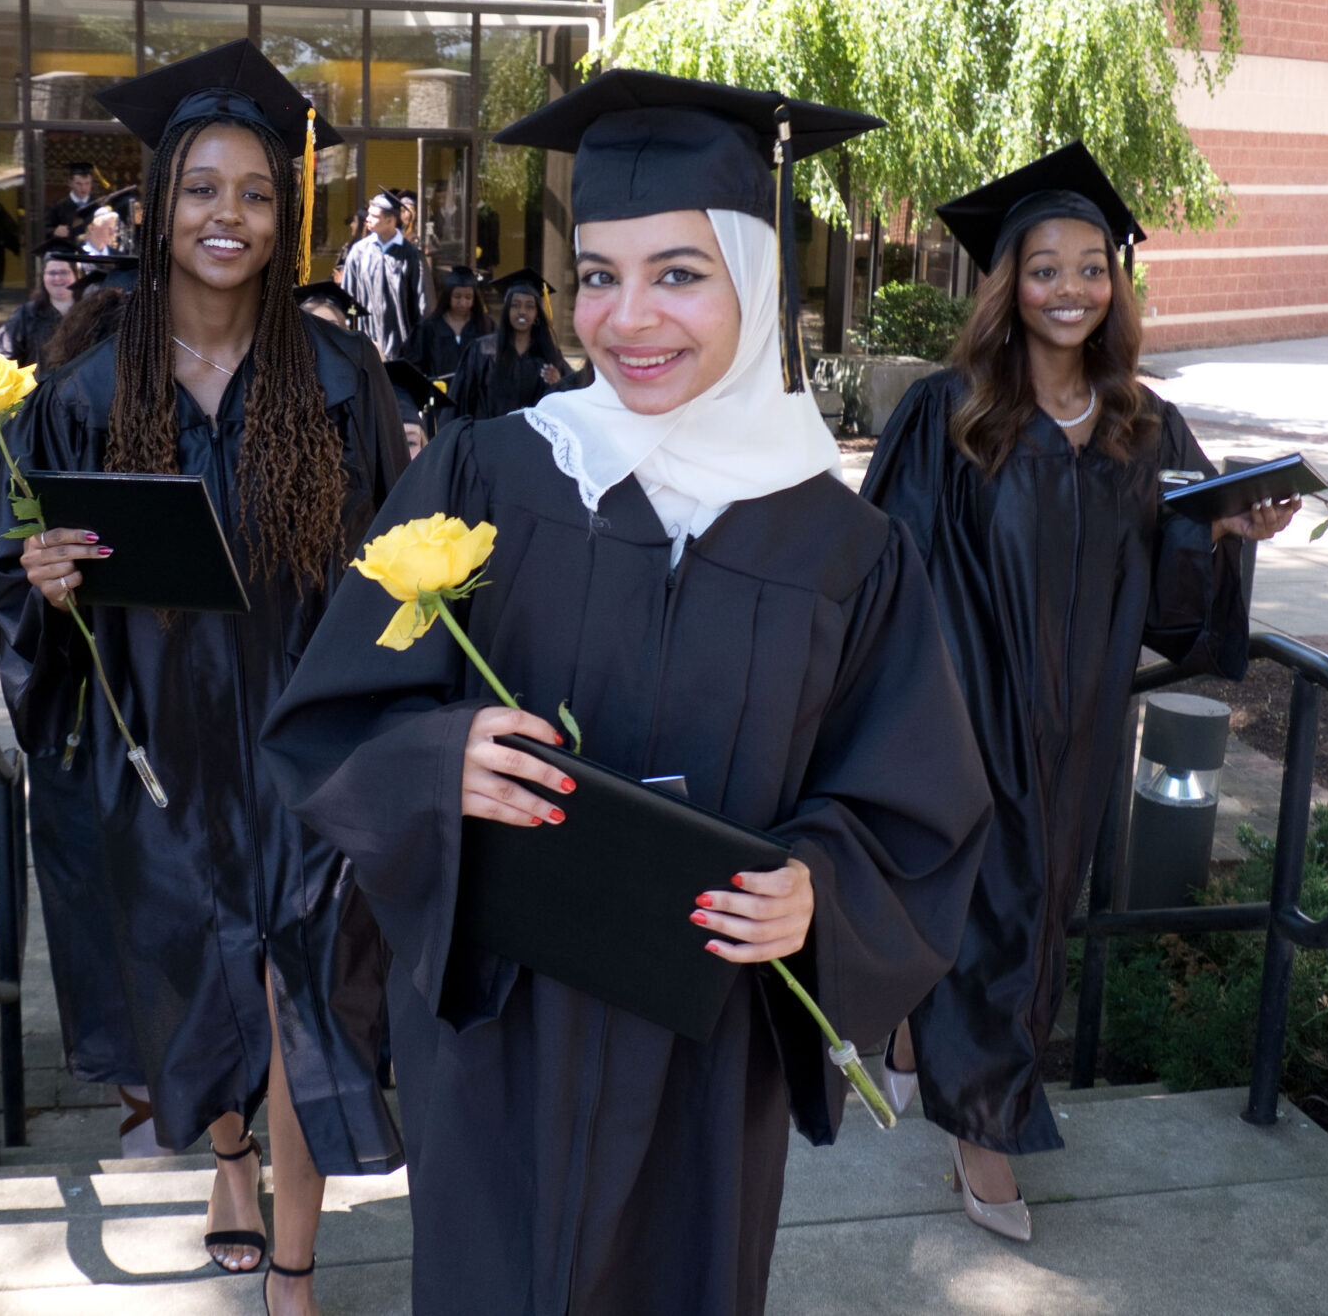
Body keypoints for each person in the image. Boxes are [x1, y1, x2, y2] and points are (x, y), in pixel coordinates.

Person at [261, 69, 992, 1316]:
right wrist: (440, 761)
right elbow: (329, 720)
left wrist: (816, 885)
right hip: (498, 1036)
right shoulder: (495, 471)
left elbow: (911, 803)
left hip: (699, 1057)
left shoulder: (842, 546)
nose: (626, 318)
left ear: (756, 286)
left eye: (678, 273)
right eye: (597, 274)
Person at [0, 40, 411, 1311]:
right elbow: (3, 565)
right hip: (155, 742)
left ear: (285, 216)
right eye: (202, 189)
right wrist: (36, 574)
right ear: (158, 210)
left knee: (296, 987)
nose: (230, 215)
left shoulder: (337, 379)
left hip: (299, 735)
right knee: (200, 977)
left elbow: (393, 566)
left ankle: (295, 1261)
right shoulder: (81, 391)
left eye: (257, 193)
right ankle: (229, 1165)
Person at [860, 142, 1299, 1242]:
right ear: (1007, 285)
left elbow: (1165, 596)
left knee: (1034, 911)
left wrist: (1228, 533)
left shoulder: (1140, 423)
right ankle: (987, 1137)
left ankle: (914, 1038)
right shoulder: (944, 414)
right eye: (1044, 268)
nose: (1070, 289)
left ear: (1116, 283)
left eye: (1091, 267)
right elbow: (890, 568)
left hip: (1078, 725)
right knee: (989, 909)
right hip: (961, 710)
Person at [448, 268, 571, 422]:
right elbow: (461, 402)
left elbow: (574, 396)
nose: (522, 312)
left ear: (537, 314)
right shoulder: (482, 351)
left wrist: (558, 384)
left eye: (529, 306)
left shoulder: (549, 355)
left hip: (531, 440)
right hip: (490, 438)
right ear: (507, 310)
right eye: (515, 305)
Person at [335, 187, 427, 358]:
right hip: (366, 342)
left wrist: (418, 344)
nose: (367, 219)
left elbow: (421, 304)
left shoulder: (410, 255)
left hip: (402, 345)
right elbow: (349, 297)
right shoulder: (359, 252)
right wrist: (352, 328)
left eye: (374, 216)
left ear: (390, 220)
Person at [0, 241, 78, 368]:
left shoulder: (89, 312)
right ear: (43, 277)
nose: (58, 278)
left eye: (64, 272)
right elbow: (4, 356)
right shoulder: (26, 314)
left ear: (75, 275)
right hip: (39, 386)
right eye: (51, 273)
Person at [399, 266, 490, 382]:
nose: (462, 302)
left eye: (468, 297)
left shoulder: (484, 326)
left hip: (473, 396)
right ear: (448, 296)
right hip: (439, 394)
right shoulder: (429, 328)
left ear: (474, 299)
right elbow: (412, 365)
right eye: (457, 296)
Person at [45, 162, 102, 240]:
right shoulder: (58, 206)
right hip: (68, 249)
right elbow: (45, 229)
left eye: (87, 183)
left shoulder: (97, 206)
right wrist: (54, 231)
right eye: (79, 184)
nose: (83, 188)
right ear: (70, 183)